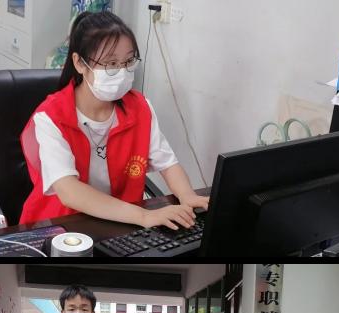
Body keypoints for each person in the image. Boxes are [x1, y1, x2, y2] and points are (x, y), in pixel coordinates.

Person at [19, 11, 209, 229]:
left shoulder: (140, 108)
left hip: (120, 222)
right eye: (111, 63)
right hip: (60, 226)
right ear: (80, 64)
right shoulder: (51, 117)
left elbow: (167, 163)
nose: (122, 71)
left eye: (128, 61)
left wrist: (187, 195)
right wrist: (144, 216)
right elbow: (69, 191)